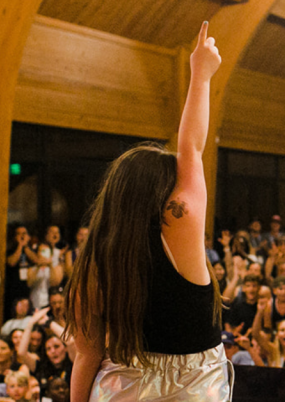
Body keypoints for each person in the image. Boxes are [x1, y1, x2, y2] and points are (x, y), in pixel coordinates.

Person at [62, 22, 229, 402]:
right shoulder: (180, 224)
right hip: (193, 387)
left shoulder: (93, 262)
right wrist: (200, 75)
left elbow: (87, 355)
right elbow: (192, 148)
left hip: (122, 385)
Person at [5, 224, 40, 321]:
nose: (22, 236)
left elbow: (36, 260)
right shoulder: (10, 250)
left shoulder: (31, 250)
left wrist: (26, 247)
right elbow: (12, 262)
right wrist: (20, 246)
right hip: (13, 288)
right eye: (19, 234)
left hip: (29, 288)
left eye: (24, 234)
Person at [31, 225, 67, 310]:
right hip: (37, 296)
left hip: (52, 298)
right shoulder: (37, 252)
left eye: (57, 232)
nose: (55, 235)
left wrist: (51, 264)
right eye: (52, 232)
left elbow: (57, 280)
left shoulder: (59, 254)